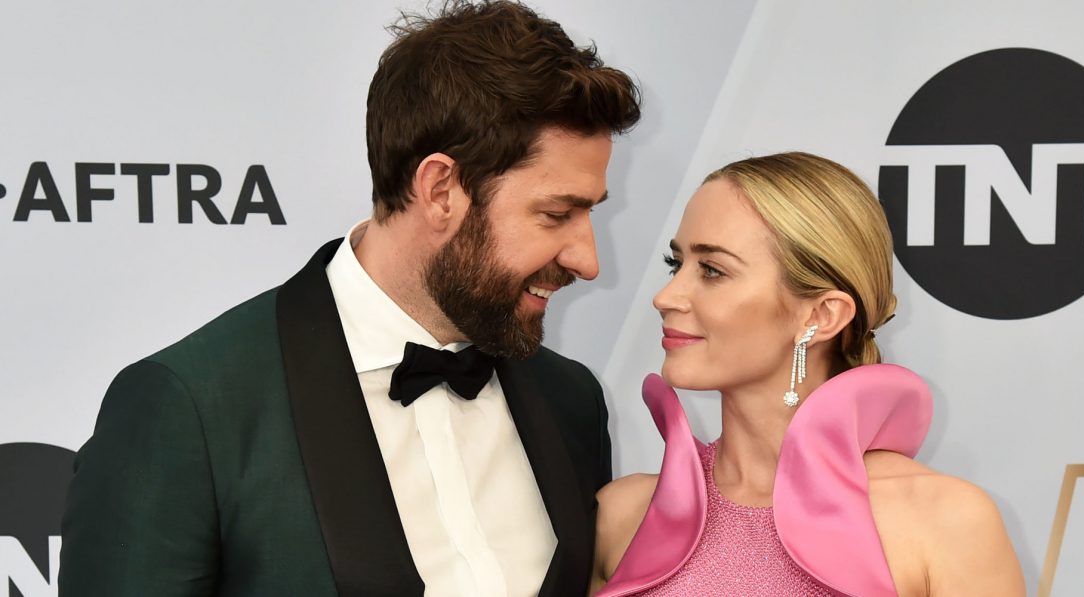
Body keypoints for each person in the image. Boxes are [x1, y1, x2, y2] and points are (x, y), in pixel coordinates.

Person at [59, 2, 640, 596]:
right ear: (441, 190)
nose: (587, 260)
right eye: (556, 214)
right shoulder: (188, 410)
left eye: (589, 213)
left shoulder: (571, 401)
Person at [590, 153, 1023, 596]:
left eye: (713, 271)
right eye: (675, 264)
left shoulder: (943, 521)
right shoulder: (625, 515)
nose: (665, 296)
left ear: (821, 315)